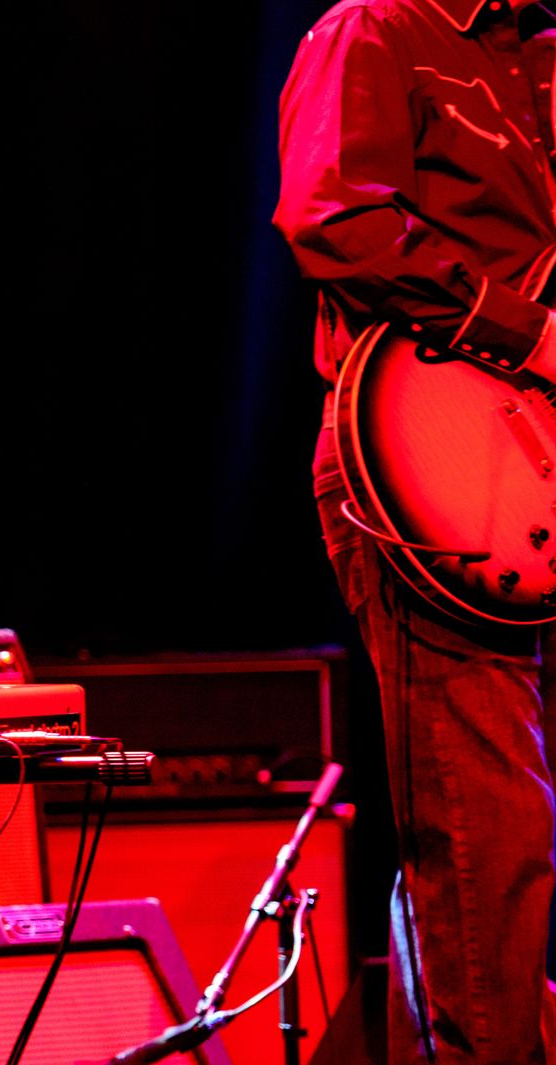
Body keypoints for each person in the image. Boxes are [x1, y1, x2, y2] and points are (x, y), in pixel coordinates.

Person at [274, 0, 555, 1059]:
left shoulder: (544, 55)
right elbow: (334, 219)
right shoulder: (377, 30)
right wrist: (528, 332)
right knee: (489, 826)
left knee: (499, 843)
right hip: (437, 454)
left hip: (537, 461)